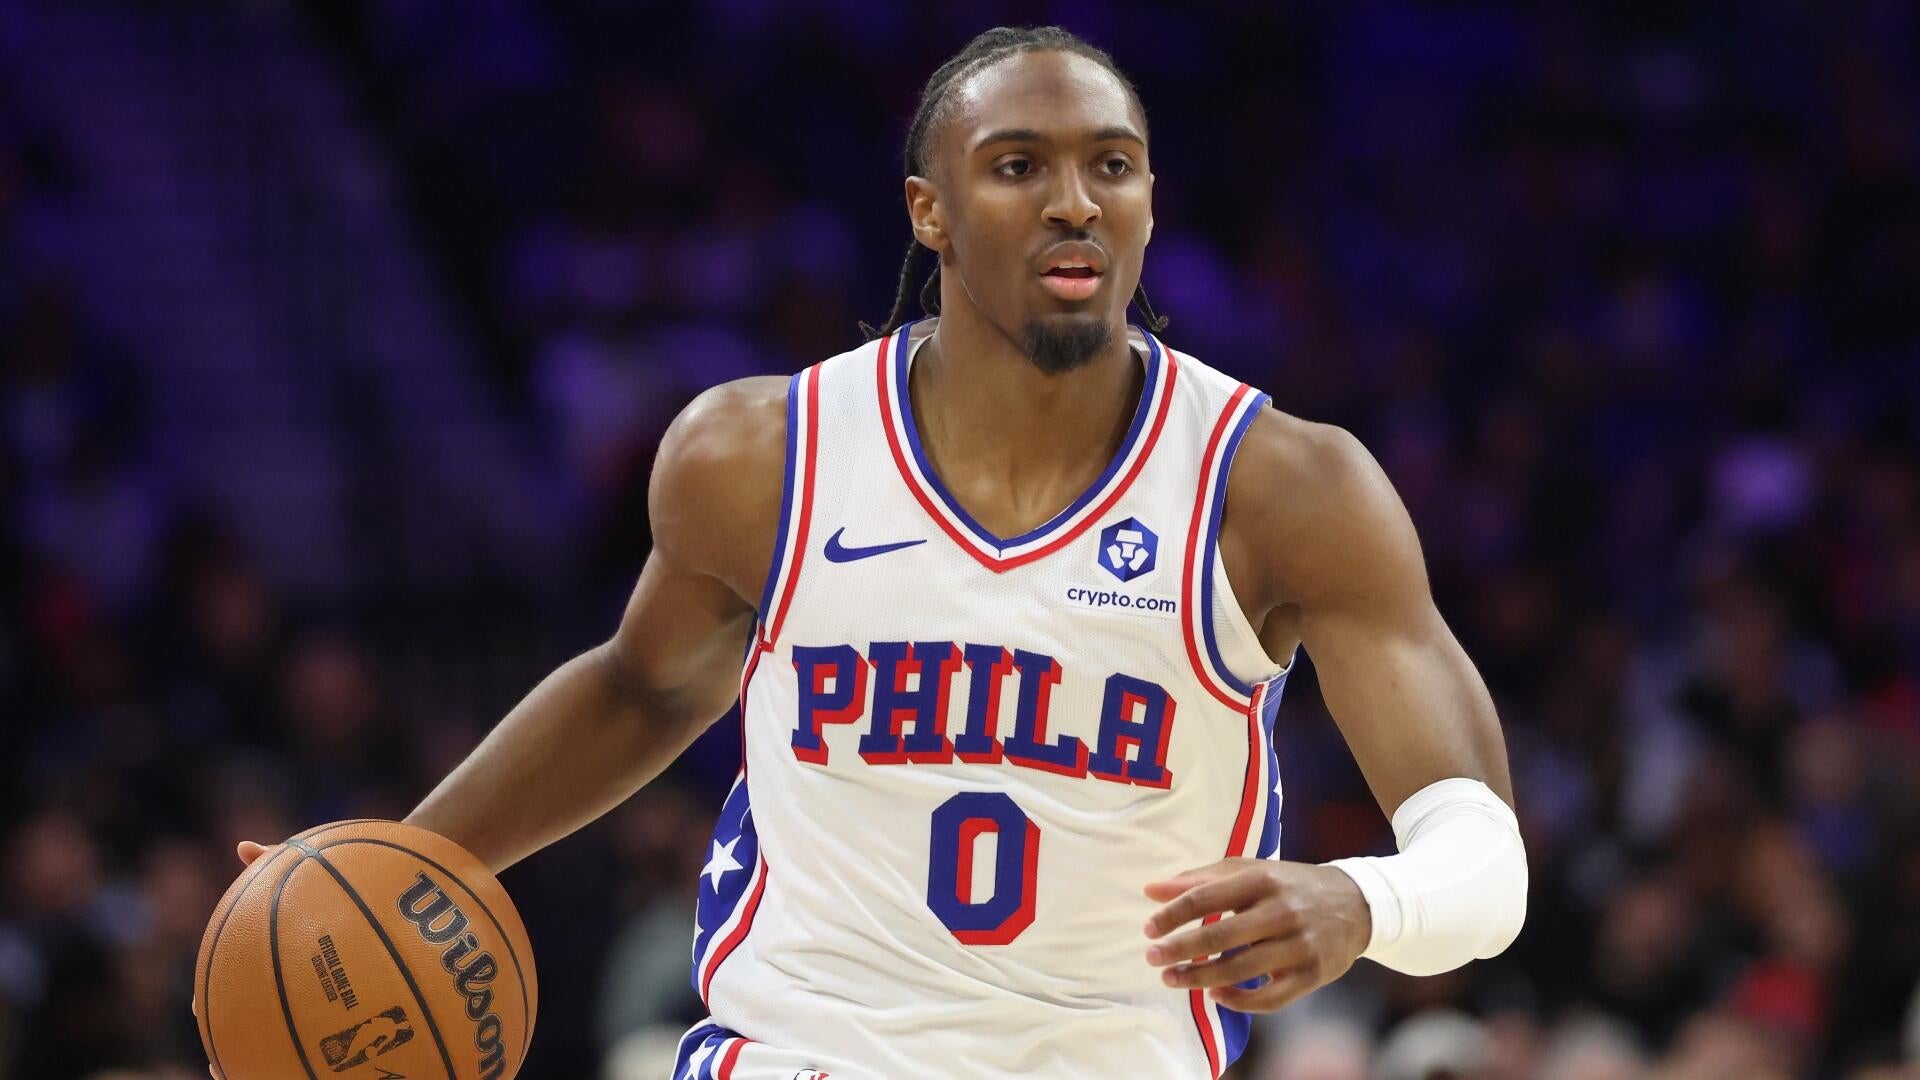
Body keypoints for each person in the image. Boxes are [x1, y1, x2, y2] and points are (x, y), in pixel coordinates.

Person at [229, 26, 1527, 1080]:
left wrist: (1363, 902)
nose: (1074, 201)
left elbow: (1484, 861)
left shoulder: (1283, 489)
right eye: (1017, 166)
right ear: (931, 210)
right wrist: (390, 869)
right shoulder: (761, 455)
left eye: (1112, 165)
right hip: (801, 1052)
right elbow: (645, 686)